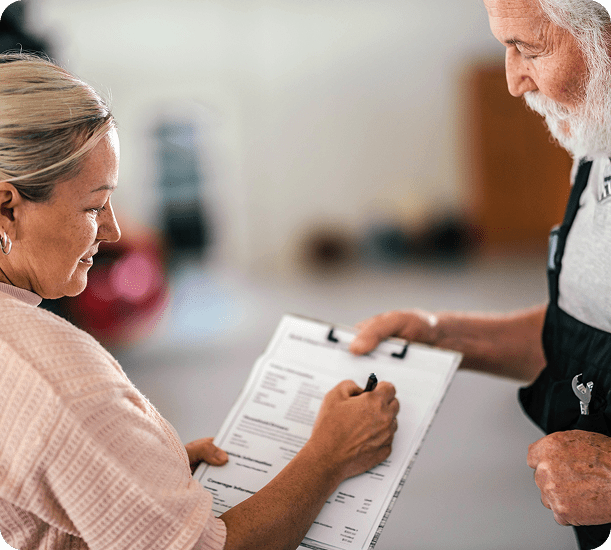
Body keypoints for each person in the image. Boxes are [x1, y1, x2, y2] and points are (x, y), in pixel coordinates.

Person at [0, 52, 400, 550]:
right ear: (7, 208)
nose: (113, 229)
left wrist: (135, 477)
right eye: (94, 205)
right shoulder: (48, 370)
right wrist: (330, 456)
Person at [350, 1, 611, 549]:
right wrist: (443, 336)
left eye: (529, 49)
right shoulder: (596, 145)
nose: (513, 81)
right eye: (504, 47)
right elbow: (585, 334)